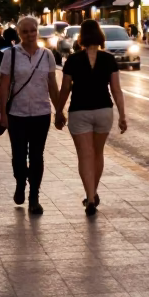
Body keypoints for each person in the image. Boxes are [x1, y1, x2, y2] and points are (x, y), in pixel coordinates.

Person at [54, 20, 127, 216]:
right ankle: (93, 194)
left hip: (80, 111)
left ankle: (90, 197)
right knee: (98, 153)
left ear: (81, 37)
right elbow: (116, 90)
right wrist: (122, 115)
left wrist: (59, 111)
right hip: (104, 110)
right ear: (100, 36)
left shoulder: (73, 60)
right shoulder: (109, 59)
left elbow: (65, 89)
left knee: (85, 155)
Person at [0, 17, 59, 215]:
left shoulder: (47, 55)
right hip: (17, 113)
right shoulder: (10, 55)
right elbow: (4, 85)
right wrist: (2, 113)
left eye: (33, 30)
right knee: (18, 155)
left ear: (37, 31)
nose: (30, 34)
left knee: (36, 156)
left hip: (41, 112)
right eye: (25, 31)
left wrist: (59, 110)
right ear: (19, 34)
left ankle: (34, 196)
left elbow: (52, 84)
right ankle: (19, 183)